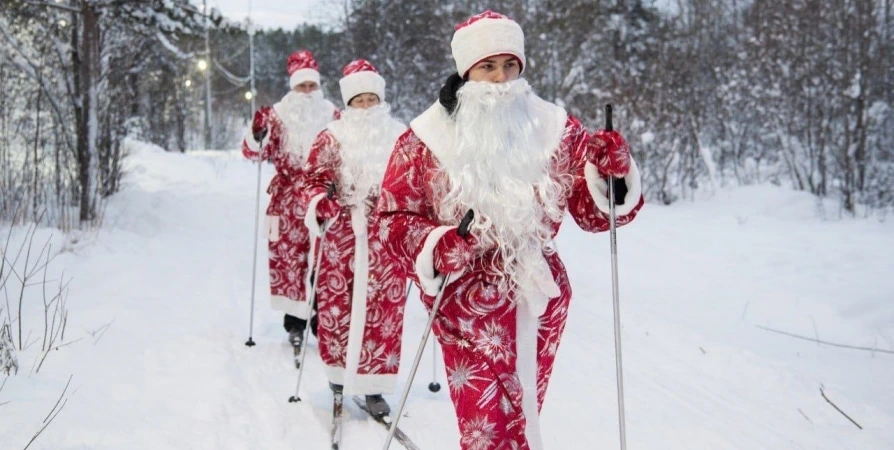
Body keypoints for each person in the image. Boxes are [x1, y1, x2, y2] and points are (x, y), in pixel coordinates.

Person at [374, 11, 644, 449]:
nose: (500, 79)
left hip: (539, 295)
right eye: (488, 66)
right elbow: (392, 218)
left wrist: (612, 173)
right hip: (463, 302)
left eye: (509, 65)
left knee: (524, 411)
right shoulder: (425, 138)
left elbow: (594, 214)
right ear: (466, 71)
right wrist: (437, 247)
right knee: (483, 426)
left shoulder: (555, 127)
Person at [301, 60, 408, 418]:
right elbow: (313, 178)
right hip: (343, 236)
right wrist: (322, 201)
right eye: (359, 101)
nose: (366, 108)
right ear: (349, 104)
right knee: (338, 306)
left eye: (371, 99)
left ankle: (374, 386)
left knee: (384, 312)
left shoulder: (400, 135)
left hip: (385, 238)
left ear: (381, 99)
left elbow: (415, 181)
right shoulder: (331, 136)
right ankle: (337, 377)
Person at [242, 50, 339, 353]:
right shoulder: (277, 115)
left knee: (325, 260)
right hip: (286, 201)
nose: (307, 93)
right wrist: (257, 133)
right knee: (291, 262)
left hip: (323, 198)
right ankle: (294, 323)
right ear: (293, 87)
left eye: (312, 86)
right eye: (302, 87)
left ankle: (321, 319)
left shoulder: (333, 114)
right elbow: (254, 153)